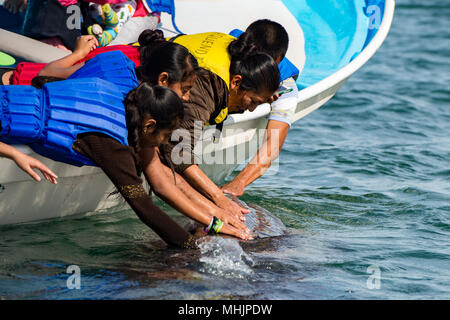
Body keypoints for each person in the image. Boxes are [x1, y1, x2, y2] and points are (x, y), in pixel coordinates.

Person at [222, 19, 300, 196]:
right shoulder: (226, 48)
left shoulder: (284, 87)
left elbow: (271, 146)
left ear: (278, 61)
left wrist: (238, 183)